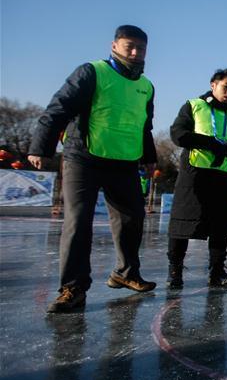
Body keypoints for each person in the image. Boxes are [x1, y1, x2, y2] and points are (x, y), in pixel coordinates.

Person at [28, 25, 157, 313]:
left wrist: (149, 157)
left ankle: (126, 273)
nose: (135, 53)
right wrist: (41, 146)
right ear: (114, 46)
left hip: (124, 161)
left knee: (133, 217)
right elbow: (59, 106)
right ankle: (73, 288)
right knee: (78, 220)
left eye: (141, 48)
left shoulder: (146, 86)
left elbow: (144, 126)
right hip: (83, 157)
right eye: (129, 46)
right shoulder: (91, 72)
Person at [166, 68, 227, 288]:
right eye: (226, 86)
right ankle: (175, 271)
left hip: (222, 175)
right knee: (182, 223)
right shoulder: (193, 106)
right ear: (213, 85)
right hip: (194, 174)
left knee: (220, 225)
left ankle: (216, 271)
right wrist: (210, 143)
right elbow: (178, 134)